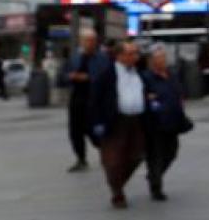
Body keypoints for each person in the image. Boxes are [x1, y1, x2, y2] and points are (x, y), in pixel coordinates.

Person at [89, 41, 147, 209]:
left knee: (136, 156)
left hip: (136, 120)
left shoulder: (139, 73)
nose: (134, 57)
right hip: (115, 121)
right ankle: (117, 191)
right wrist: (97, 123)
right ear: (119, 56)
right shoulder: (106, 75)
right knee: (113, 160)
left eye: (135, 53)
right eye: (130, 54)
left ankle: (117, 184)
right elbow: (94, 101)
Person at [141, 45, 191, 202]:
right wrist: (150, 100)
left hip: (173, 121)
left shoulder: (171, 74)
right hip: (155, 123)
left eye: (164, 58)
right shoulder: (146, 77)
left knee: (172, 152)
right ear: (152, 61)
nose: (163, 61)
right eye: (159, 59)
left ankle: (154, 175)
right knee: (156, 154)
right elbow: (144, 97)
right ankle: (156, 187)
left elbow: (178, 91)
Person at [62, 29, 110, 173]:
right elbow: (62, 76)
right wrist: (70, 77)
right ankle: (81, 159)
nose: (89, 43)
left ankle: (107, 153)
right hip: (77, 99)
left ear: (96, 42)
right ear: (81, 41)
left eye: (91, 40)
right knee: (75, 131)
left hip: (94, 99)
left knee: (94, 130)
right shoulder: (74, 58)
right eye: (86, 40)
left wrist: (89, 78)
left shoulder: (102, 59)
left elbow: (107, 78)